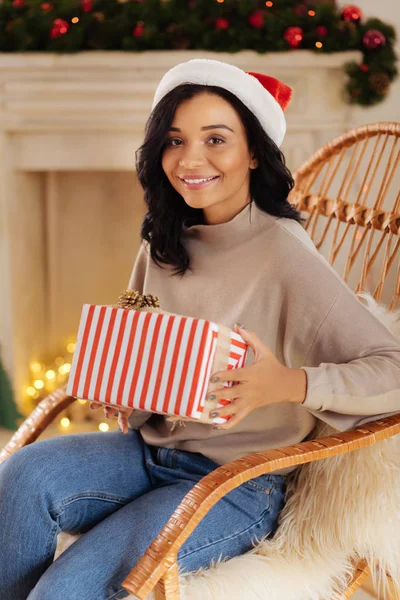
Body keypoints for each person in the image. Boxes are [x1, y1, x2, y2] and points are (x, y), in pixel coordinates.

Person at [1, 59, 399, 600]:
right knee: (22, 475)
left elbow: (391, 367)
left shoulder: (284, 253)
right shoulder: (164, 240)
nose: (190, 159)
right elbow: (146, 354)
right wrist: (125, 392)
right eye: (174, 139)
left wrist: (286, 384)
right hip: (145, 453)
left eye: (217, 139)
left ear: (253, 152)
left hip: (237, 485)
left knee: (66, 588)